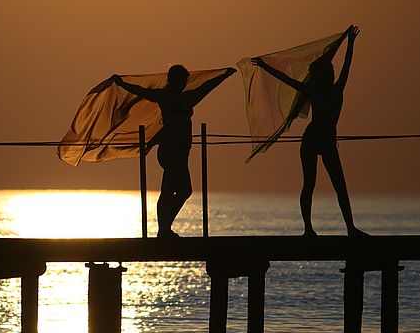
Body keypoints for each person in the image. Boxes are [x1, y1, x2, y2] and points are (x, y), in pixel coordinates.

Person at [251, 25, 367, 237]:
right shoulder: (326, 89)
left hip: (324, 140)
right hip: (314, 139)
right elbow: (286, 79)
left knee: (335, 185)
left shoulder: (329, 89)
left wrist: (350, 44)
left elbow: (346, 66)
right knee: (313, 184)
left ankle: (348, 228)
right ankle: (310, 229)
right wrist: (265, 67)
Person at [112, 65, 236, 238]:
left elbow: (206, 87)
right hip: (171, 150)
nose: (184, 83)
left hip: (181, 151)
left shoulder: (187, 98)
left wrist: (224, 75)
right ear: (173, 80)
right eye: (181, 80)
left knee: (170, 190)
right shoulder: (166, 97)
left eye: (185, 81)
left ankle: (164, 229)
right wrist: (121, 83)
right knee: (182, 190)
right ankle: (164, 229)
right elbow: (140, 91)